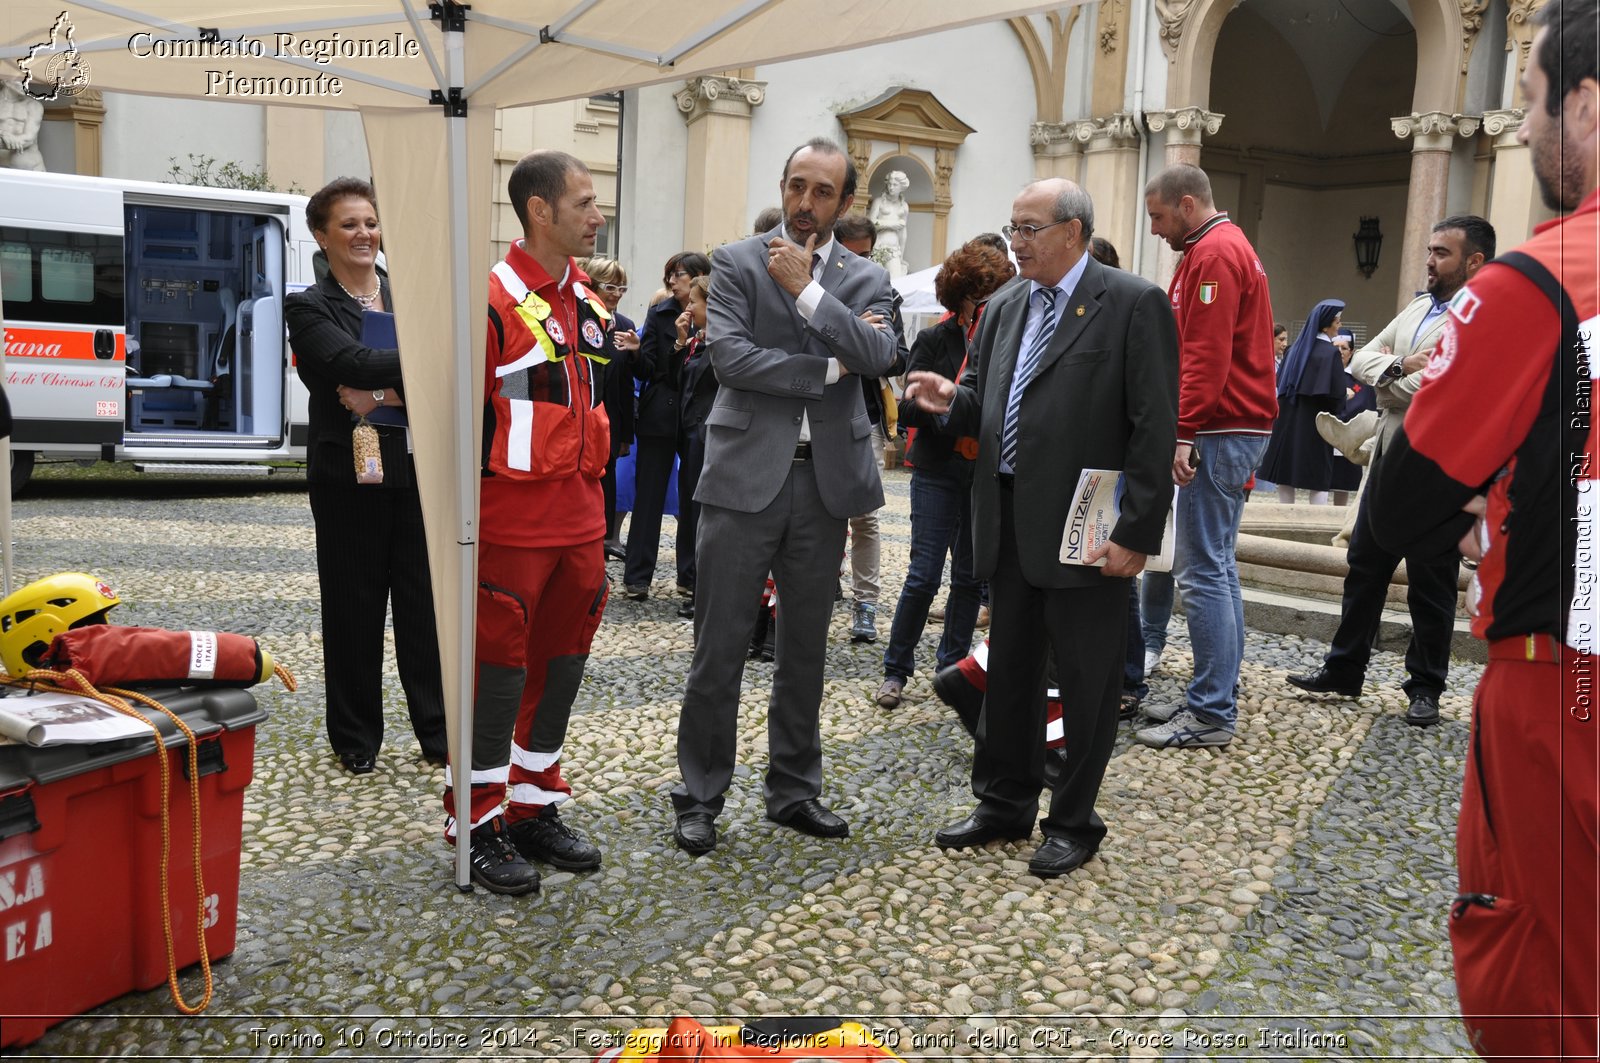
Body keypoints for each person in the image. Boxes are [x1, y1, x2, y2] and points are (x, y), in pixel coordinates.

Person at [1371, 4, 1598, 1052]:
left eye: (1530, 103)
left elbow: (1400, 501)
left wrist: (1483, 483)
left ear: (1586, 104)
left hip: (1566, 682)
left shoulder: (1541, 278)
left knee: (1542, 980)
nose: (1517, 132)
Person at [903, 177, 1178, 878]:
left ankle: (1075, 820)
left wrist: (1138, 532)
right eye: (1013, 227)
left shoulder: (1132, 303)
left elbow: (1152, 427)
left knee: (1086, 682)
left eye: (1029, 229)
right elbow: (993, 404)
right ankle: (1003, 801)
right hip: (1006, 518)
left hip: (1087, 525)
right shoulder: (1003, 306)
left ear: (1074, 232)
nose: (1015, 242)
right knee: (1014, 672)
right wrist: (951, 401)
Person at [671, 137, 898, 855]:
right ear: (783, 185)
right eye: (796, 186)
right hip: (743, 479)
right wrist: (829, 366)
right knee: (720, 646)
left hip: (824, 483)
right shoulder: (737, 262)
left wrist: (807, 291)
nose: (805, 203)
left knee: (806, 649)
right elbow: (731, 358)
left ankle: (794, 789)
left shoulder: (866, 277)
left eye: (822, 192)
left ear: (846, 202)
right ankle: (700, 793)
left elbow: (882, 356)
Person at [444, 150, 612, 896]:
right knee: (498, 675)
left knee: (560, 666)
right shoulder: (489, 298)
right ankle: (475, 822)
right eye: (584, 203)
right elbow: (456, 417)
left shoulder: (587, 298)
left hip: (581, 520)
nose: (597, 215)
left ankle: (534, 802)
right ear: (539, 211)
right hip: (509, 522)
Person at [1289, 216, 1493, 727]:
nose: (1430, 260)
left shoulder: (1481, 318)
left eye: (1442, 253)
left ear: (1475, 262)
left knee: (1432, 583)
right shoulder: (1420, 306)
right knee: (1365, 569)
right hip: (1386, 460)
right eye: (1429, 250)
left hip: (1437, 472)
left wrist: (1390, 375)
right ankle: (1344, 669)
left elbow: (1439, 389)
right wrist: (1402, 366)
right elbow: (1360, 358)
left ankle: (1425, 687)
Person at [283, 177, 446, 777]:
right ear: (322, 236)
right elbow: (342, 363)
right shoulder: (307, 306)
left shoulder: (408, 296)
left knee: (423, 607)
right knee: (352, 608)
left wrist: (377, 387)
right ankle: (356, 737)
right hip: (346, 475)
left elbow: (430, 369)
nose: (364, 234)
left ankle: (437, 732)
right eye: (349, 224)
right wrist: (415, 367)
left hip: (413, 466)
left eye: (371, 222)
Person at [1134, 163, 1277, 750]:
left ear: (1187, 205)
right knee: (1217, 568)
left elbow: (1206, 354)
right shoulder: (1218, 245)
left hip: (1220, 428)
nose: (1155, 229)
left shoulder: (1213, 254)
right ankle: (1212, 694)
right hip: (1232, 426)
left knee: (1202, 573)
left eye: (1159, 216)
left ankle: (1213, 711)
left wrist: (1184, 431)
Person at [876, 239, 1012, 710]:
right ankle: (896, 669)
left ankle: (950, 668)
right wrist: (948, 412)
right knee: (922, 575)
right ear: (962, 298)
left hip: (983, 475)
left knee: (970, 580)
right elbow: (909, 404)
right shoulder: (936, 339)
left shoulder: (1005, 339)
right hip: (937, 470)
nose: (988, 304)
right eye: (981, 295)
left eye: (994, 293)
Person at [833, 213, 910, 642]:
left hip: (866, 415)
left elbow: (896, 357)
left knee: (865, 517)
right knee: (822, 514)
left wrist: (865, 344)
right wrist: (854, 332)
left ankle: (866, 604)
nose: (861, 263)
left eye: (867, 255)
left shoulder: (884, 292)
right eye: (853, 255)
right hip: (819, 412)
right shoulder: (816, 287)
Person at [623, 252, 712, 600]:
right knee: (649, 496)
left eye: (680, 275)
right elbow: (647, 370)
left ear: (701, 277)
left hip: (695, 416)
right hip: (660, 411)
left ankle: (689, 576)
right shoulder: (659, 314)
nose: (672, 281)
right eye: (670, 275)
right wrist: (634, 353)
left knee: (694, 497)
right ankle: (638, 576)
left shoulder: (716, 313)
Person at [1258, 300, 1348, 505]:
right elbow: (1336, 394)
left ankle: (1284, 517)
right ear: (1326, 325)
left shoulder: (1293, 350)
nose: (1340, 326)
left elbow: (1281, 384)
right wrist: (1342, 405)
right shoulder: (1330, 352)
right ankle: (1317, 523)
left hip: (1288, 420)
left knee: (1286, 472)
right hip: (1317, 422)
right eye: (1338, 322)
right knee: (1318, 477)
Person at [581, 256, 640, 561]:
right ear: (591, 284)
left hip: (610, 425)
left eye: (622, 288)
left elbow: (626, 384)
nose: (617, 293)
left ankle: (599, 553)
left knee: (606, 487)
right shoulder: (578, 320)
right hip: (578, 424)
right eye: (611, 286)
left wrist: (626, 435)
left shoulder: (626, 327)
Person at [673, 274, 718, 621]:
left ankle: (705, 589)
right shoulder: (695, 342)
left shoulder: (721, 344)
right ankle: (692, 581)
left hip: (707, 438)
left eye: (694, 302)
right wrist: (680, 343)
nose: (688, 307)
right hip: (689, 436)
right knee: (689, 513)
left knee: (705, 517)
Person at [868, 170, 910, 277]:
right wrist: (892, 224)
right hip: (877, 247)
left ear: (902, 187)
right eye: (890, 184)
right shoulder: (879, 202)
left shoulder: (904, 206)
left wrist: (901, 257)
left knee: (895, 280)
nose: (891, 187)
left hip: (894, 250)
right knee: (874, 279)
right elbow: (870, 223)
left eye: (895, 185)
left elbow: (903, 233)